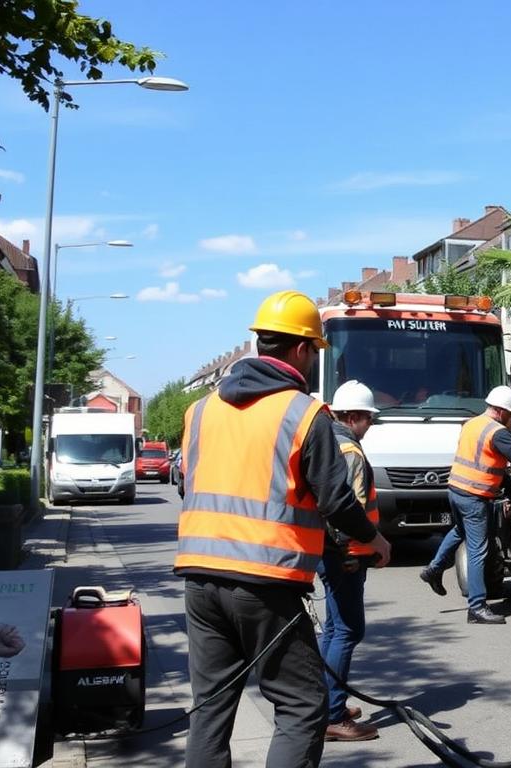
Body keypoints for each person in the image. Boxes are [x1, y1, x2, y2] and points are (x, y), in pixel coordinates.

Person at [175, 290, 392, 768]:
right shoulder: (302, 413)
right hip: (264, 581)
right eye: (315, 350)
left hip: (199, 577)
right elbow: (336, 500)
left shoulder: (200, 411)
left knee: (210, 708)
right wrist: (372, 540)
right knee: (302, 704)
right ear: (300, 350)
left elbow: (190, 485)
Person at [419, 386, 511, 624]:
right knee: (478, 550)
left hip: (455, 489)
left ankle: (434, 569)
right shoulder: (497, 432)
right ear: (500, 411)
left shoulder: (472, 424)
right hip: (474, 495)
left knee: (459, 531)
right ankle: (476, 608)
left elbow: (482, 458)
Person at [318, 380, 383, 742]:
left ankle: (329, 702)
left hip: (327, 551)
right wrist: (358, 550)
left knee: (333, 629)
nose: (370, 425)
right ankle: (333, 715)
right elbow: (347, 510)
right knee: (348, 630)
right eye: (369, 419)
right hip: (345, 553)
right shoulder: (352, 453)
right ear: (354, 416)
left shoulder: (329, 440)